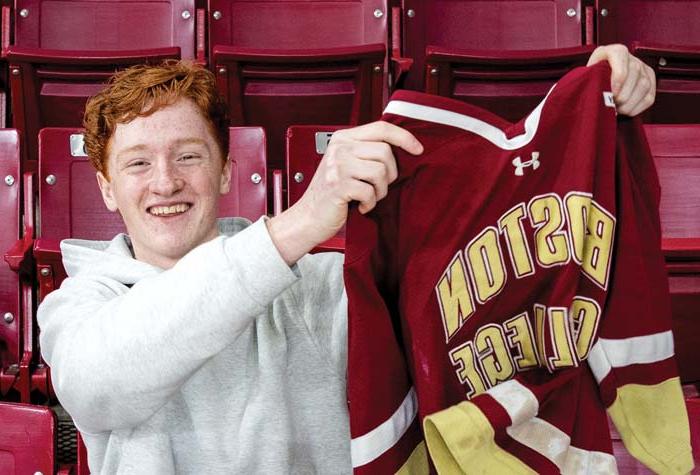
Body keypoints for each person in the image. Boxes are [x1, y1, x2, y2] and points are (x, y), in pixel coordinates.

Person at [37, 44, 656, 474]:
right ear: (105, 188)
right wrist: (302, 221)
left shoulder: (318, 284)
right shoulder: (79, 305)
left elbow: (488, 299)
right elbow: (99, 385)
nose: (165, 181)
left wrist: (595, 116)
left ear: (227, 170)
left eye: (189, 156)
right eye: (138, 163)